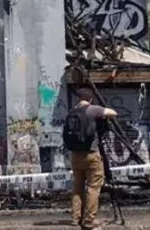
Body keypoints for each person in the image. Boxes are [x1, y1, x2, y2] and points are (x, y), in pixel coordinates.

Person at [62, 87, 118, 230]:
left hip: (75, 155)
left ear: (78, 99)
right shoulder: (92, 110)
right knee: (93, 187)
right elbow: (113, 113)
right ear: (90, 99)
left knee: (77, 187)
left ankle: (76, 219)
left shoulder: (71, 112)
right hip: (91, 153)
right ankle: (89, 220)